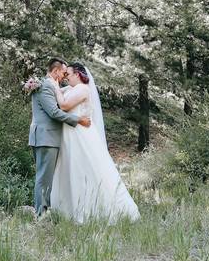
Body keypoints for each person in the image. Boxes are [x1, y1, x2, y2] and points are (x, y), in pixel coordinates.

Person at [50, 62, 140, 222]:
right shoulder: (71, 89)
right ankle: (69, 210)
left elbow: (64, 105)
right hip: (70, 135)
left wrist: (55, 84)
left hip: (81, 136)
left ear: (77, 74)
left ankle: (100, 209)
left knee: (87, 170)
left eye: (68, 74)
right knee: (71, 170)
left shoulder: (83, 89)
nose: (65, 78)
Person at [29, 58, 91, 218]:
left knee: (46, 177)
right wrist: (79, 120)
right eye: (63, 72)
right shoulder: (46, 86)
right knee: (44, 178)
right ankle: (40, 215)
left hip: (47, 137)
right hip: (46, 137)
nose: (64, 76)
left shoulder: (51, 86)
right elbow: (54, 112)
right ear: (55, 71)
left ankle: (44, 210)